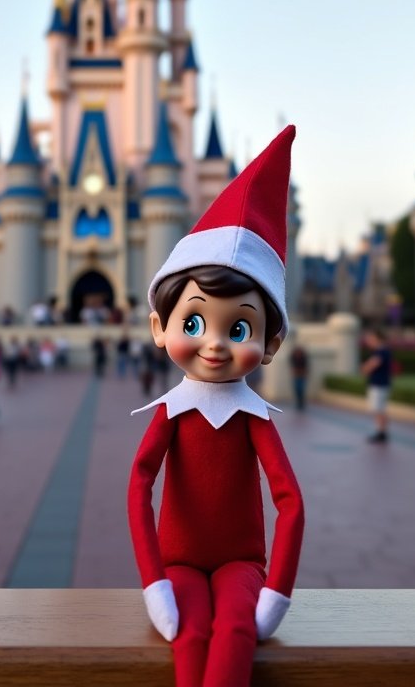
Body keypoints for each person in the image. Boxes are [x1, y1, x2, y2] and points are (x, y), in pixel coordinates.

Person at [129, 126, 304, 687]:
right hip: (178, 561)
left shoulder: (252, 418)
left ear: (270, 344)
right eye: (195, 321)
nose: (213, 343)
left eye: (240, 328)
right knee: (191, 630)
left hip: (240, 563)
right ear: (160, 328)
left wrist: (275, 590)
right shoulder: (173, 412)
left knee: (234, 629)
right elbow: (138, 485)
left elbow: (290, 502)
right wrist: (155, 581)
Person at [360, 327, 392, 443]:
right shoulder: (381, 351)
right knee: (379, 409)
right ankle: (381, 432)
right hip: (380, 383)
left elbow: (371, 366)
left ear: (377, 339)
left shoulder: (381, 351)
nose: (369, 341)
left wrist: (365, 367)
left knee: (378, 409)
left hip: (379, 384)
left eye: (371, 338)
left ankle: (381, 433)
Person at [290, 344, 309, 412]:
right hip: (296, 375)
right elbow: (291, 365)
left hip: (301, 375)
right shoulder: (293, 357)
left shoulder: (303, 357)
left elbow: (306, 366)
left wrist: (303, 373)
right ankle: (298, 403)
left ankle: (301, 403)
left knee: (301, 389)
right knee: (297, 389)